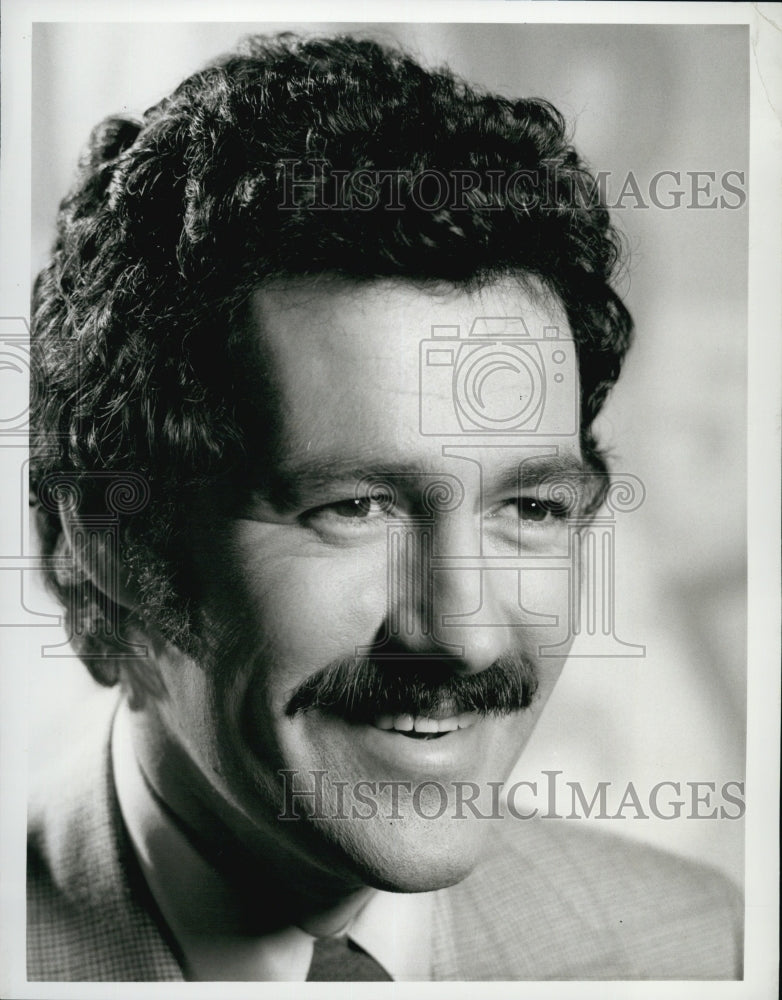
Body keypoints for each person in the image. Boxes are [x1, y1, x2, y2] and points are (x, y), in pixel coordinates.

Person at [27, 32, 742, 981]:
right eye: (357, 506)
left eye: (529, 507)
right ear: (117, 548)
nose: (468, 637)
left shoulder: (695, 947)